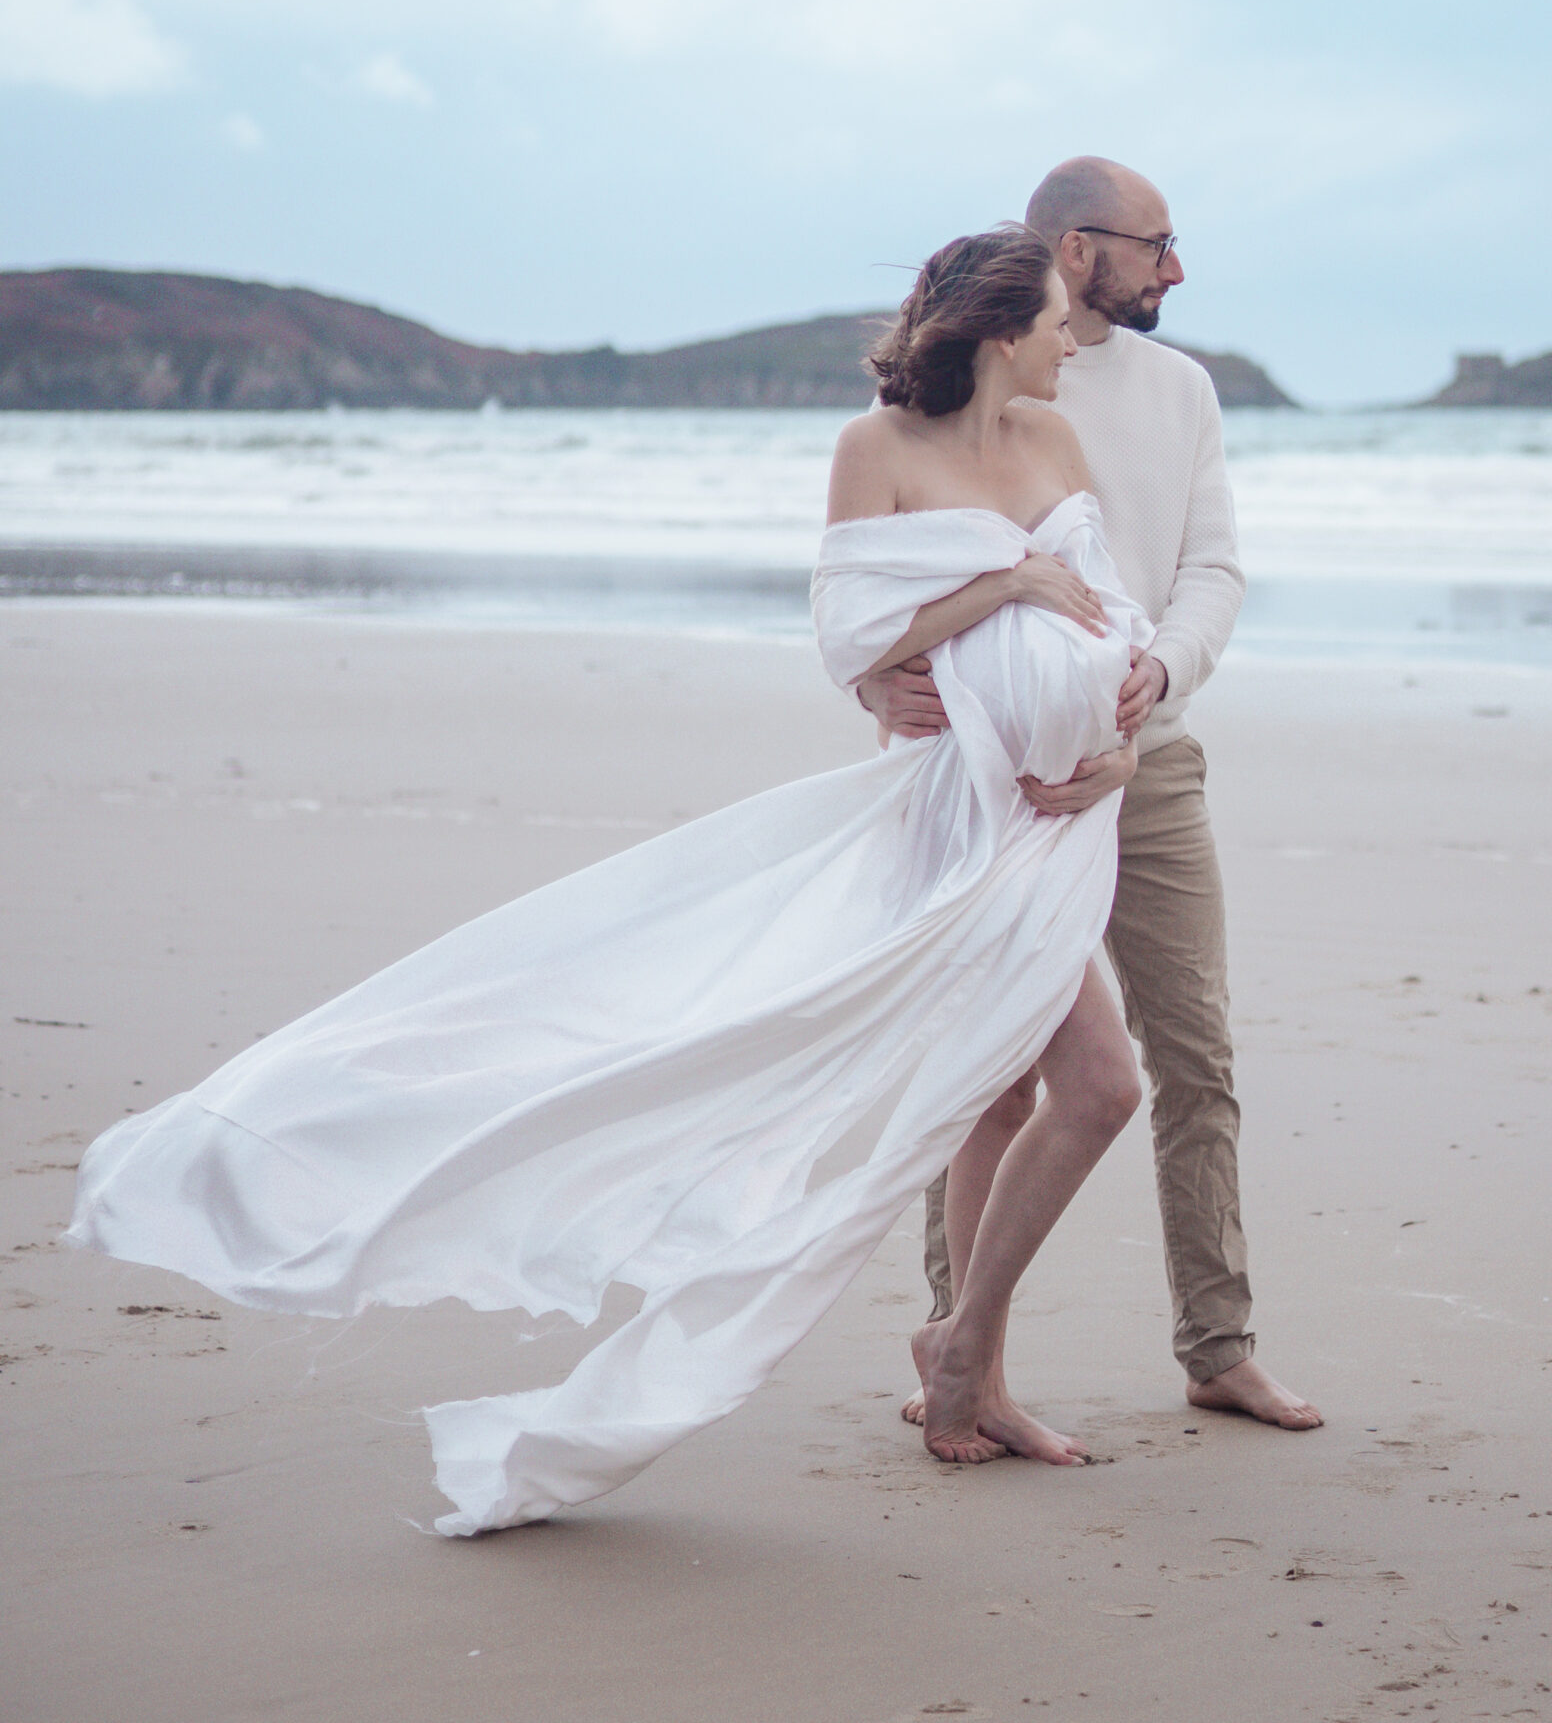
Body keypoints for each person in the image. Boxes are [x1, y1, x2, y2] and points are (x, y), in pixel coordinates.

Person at [69, 227, 1160, 1526]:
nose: (1067, 339)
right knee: (1068, 1085)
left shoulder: (1061, 445)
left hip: (1061, 815)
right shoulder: (876, 450)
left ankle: (961, 1358)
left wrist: (1124, 733)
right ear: (995, 330)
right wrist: (1003, 582)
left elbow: (1118, 622)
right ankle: (960, 1354)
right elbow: (851, 639)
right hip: (952, 815)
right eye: (1049, 320)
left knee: (1023, 1089)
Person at [866, 159, 1322, 1433]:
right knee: (992, 1077)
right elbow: (878, 574)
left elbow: (1211, 566)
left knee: (1193, 1055)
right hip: (995, 779)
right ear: (1077, 247)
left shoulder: (1177, 390)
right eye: (1156, 243)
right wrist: (873, 692)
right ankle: (960, 1354)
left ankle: (1216, 1345)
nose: (1175, 269)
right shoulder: (960, 396)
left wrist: (1156, 674)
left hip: (1148, 759)